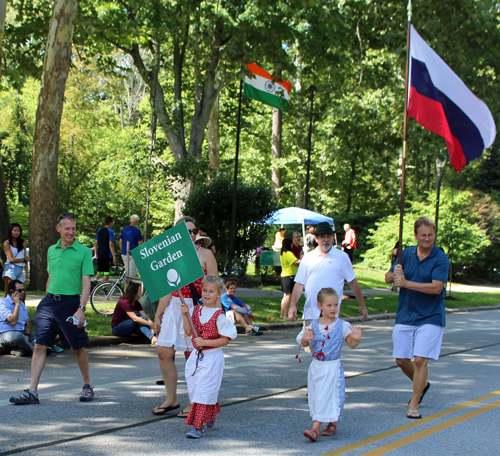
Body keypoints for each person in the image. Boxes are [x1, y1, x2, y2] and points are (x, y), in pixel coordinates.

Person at [10, 213, 95, 405]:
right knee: (40, 345)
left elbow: (86, 283)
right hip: (49, 302)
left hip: (71, 304)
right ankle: (32, 391)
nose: (71, 232)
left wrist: (81, 308)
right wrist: (46, 298)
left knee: (77, 347)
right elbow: (51, 276)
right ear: (59, 229)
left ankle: (87, 385)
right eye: (67, 228)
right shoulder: (51, 250)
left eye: (73, 228)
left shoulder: (83, 252)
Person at [385, 217, 449, 420]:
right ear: (416, 235)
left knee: (420, 360)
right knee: (402, 359)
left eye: (431, 235)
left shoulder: (440, 258)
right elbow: (388, 278)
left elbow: (436, 287)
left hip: (431, 315)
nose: (427, 238)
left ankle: (414, 401)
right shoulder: (406, 254)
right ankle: (422, 384)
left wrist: (406, 283)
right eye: (423, 235)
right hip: (406, 313)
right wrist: (394, 273)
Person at [153, 216, 217, 418]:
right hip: (174, 306)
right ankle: (172, 398)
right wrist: (158, 315)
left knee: (192, 355)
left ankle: (193, 401)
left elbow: (216, 288)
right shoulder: (170, 256)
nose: (191, 234)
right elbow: (167, 289)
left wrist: (213, 314)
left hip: (195, 308)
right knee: (164, 352)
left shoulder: (205, 254)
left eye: (193, 231)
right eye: (186, 231)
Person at [297, 288, 362, 441]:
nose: (333, 308)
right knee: (318, 396)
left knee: (326, 395)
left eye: (335, 305)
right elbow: (305, 342)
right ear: (320, 306)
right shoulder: (313, 325)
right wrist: (305, 339)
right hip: (317, 367)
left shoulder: (342, 325)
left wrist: (357, 339)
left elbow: (351, 344)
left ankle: (315, 429)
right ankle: (332, 423)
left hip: (332, 367)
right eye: (329, 305)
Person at [180, 275, 237, 438]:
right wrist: (185, 315)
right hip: (196, 357)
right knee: (196, 389)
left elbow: (225, 340)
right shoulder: (195, 310)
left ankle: (199, 427)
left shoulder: (219, 316)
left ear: (219, 294)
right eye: (205, 290)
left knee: (203, 391)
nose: (206, 294)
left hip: (212, 358)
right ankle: (209, 415)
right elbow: (188, 332)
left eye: (211, 291)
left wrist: (205, 341)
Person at [288, 222, 368, 324]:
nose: (325, 240)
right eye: (322, 237)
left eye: (328, 236)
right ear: (316, 238)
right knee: (308, 340)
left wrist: (362, 305)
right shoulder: (308, 258)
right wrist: (293, 306)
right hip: (311, 314)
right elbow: (299, 283)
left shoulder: (342, 257)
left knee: (332, 340)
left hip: (332, 315)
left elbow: (352, 282)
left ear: (333, 238)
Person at [0, 280, 35, 357]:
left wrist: (27, 335)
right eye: (19, 290)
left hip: (22, 334)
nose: (22, 292)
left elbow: (28, 323)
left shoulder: (22, 304)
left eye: (23, 290)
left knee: (41, 334)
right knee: (18, 337)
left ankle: (20, 350)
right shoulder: (3, 304)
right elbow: (13, 322)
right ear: (11, 291)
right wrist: (17, 304)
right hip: (6, 335)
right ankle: (34, 351)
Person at [3, 223, 29, 296]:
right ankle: (5, 307)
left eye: (18, 231)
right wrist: (23, 259)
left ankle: (22, 307)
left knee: (22, 294)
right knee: (9, 293)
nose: (16, 232)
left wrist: (27, 273)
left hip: (20, 269)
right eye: (14, 230)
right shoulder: (7, 243)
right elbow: (12, 259)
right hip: (11, 268)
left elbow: (26, 258)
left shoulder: (22, 242)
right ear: (10, 231)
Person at [280, 238, 301, 321]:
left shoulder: (283, 253)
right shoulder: (288, 253)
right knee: (288, 296)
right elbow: (296, 262)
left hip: (285, 275)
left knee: (285, 296)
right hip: (289, 275)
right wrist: (303, 259)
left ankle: (282, 314)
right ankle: (285, 315)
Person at [93, 216, 117, 286]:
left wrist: (95, 253)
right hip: (107, 254)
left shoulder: (99, 230)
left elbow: (96, 242)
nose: (113, 223)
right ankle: (104, 287)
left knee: (100, 270)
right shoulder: (111, 232)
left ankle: (94, 280)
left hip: (100, 253)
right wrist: (114, 256)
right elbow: (111, 244)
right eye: (113, 222)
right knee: (106, 272)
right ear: (110, 222)